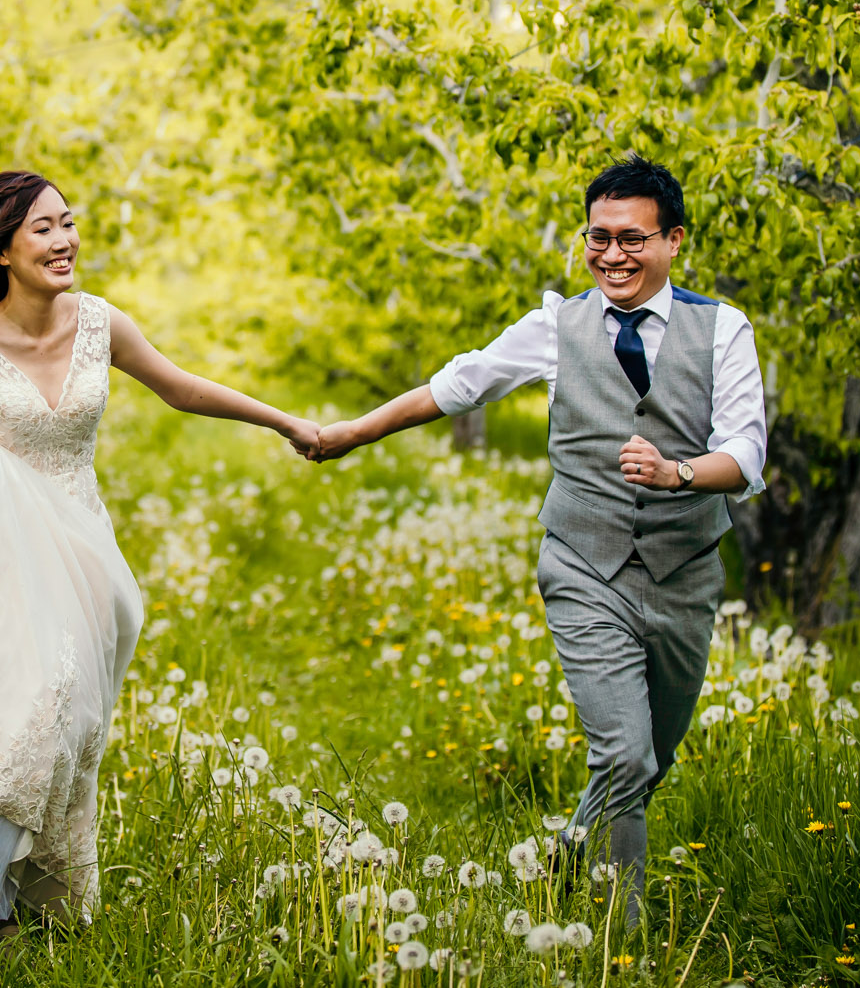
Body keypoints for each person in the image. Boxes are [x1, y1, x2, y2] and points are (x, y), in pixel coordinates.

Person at [0, 170, 321, 952]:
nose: (65, 239)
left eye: (68, 223)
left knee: (69, 717)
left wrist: (282, 420)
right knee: (8, 711)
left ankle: (23, 892)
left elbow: (179, 386)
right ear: (3, 249)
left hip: (80, 554)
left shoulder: (100, 324)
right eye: (43, 228)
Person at [312, 153, 766, 924]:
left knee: (650, 759)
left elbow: (747, 451)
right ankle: (623, 935)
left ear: (673, 241)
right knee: (623, 754)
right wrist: (351, 432)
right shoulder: (555, 325)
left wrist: (677, 473)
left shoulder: (723, 329)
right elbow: (457, 385)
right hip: (583, 563)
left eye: (632, 239)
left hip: (686, 570)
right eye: (599, 237)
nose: (613, 255)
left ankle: (565, 853)